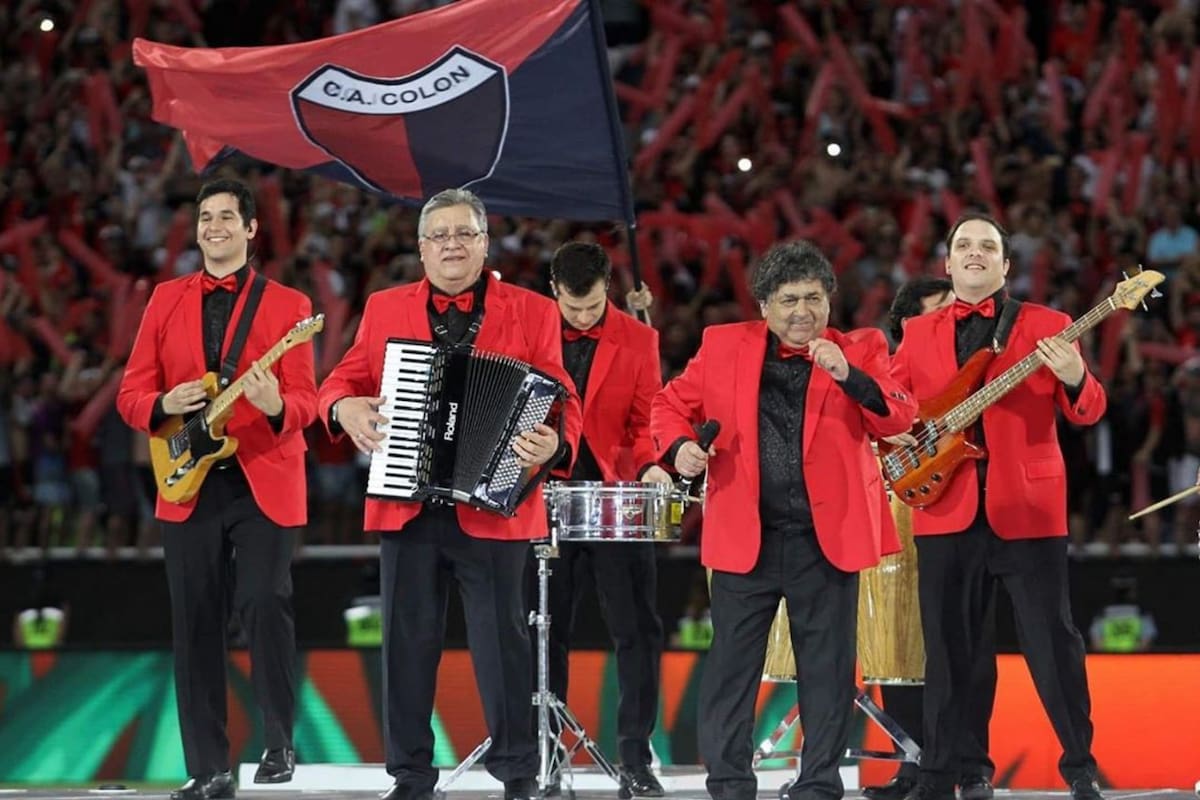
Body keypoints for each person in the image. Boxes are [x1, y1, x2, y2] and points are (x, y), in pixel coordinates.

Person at [317, 188, 583, 800]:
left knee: (504, 646)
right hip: (406, 504)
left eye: (464, 234)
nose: (451, 246)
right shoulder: (384, 306)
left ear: (485, 243)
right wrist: (343, 406)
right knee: (406, 646)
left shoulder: (534, 310)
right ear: (420, 247)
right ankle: (410, 776)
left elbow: (563, 393)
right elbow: (341, 379)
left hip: (495, 507)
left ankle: (519, 773)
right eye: (439, 236)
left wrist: (556, 443)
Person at [650, 240, 917, 800]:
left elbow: (899, 417)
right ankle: (728, 783)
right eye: (790, 299)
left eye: (814, 299)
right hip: (745, 535)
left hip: (826, 540)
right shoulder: (722, 346)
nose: (803, 312)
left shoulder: (861, 346)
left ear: (830, 300)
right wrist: (677, 448)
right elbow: (668, 405)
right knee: (730, 670)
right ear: (764, 305)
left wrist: (849, 375)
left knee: (827, 669)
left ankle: (819, 784)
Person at [889, 212, 1107, 800]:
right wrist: (900, 439)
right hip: (945, 508)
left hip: (1029, 510)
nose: (975, 252)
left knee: (1052, 642)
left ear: (1006, 265)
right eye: (964, 245)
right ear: (948, 263)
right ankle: (951, 773)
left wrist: (1076, 375)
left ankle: (1081, 768)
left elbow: (1088, 411)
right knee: (951, 652)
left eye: (987, 245)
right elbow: (892, 408)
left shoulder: (1050, 324)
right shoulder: (917, 333)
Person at [117, 178, 316, 800]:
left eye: (227, 217)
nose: (214, 227)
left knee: (262, 601)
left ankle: (279, 742)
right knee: (195, 622)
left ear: (252, 229)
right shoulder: (163, 300)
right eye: (206, 217)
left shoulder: (288, 305)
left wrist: (277, 402)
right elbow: (129, 393)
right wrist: (160, 402)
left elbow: (309, 401)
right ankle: (209, 769)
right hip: (188, 479)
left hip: (264, 477)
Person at [544, 242, 672, 798]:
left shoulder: (641, 339)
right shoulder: (529, 328)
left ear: (608, 290)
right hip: (545, 493)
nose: (582, 317)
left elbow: (647, 419)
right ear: (554, 291)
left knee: (637, 631)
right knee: (545, 631)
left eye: (592, 307)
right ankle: (545, 755)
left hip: (617, 495)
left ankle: (635, 759)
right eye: (572, 309)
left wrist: (651, 466)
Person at [865, 277, 998, 800]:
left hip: (967, 514)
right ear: (906, 327)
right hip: (901, 512)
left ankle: (972, 766)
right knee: (895, 639)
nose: (956, 317)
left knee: (969, 645)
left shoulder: (981, 361)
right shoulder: (888, 373)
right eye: (942, 310)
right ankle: (913, 764)